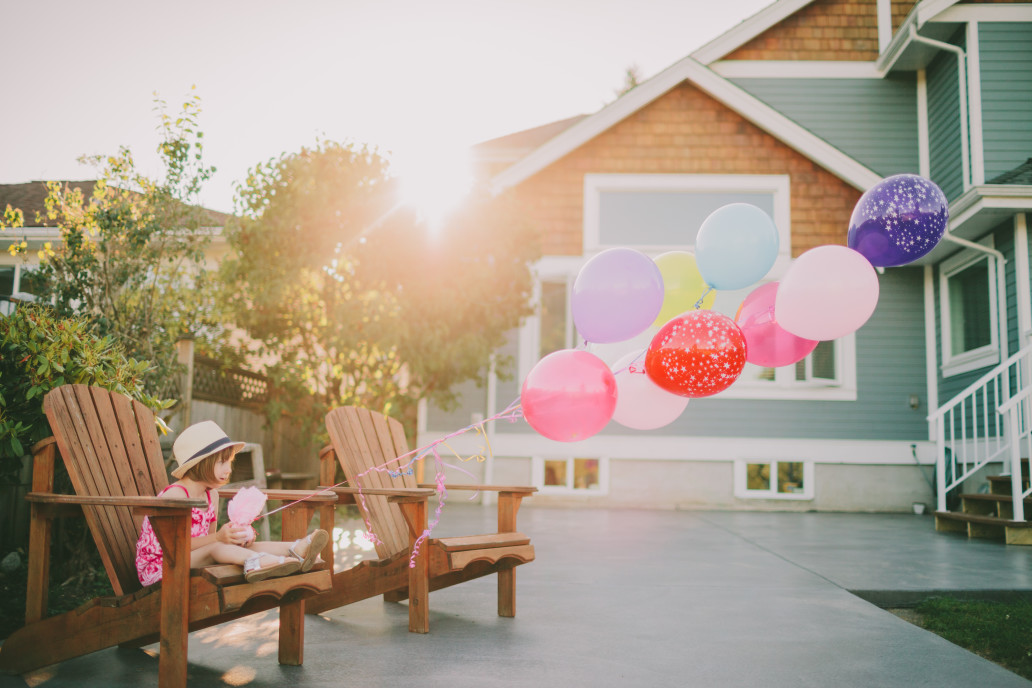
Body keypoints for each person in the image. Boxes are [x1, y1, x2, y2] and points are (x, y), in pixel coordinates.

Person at [136, 420, 330, 585]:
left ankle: (294, 549)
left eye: (230, 461)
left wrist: (235, 537)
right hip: (161, 567)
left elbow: (209, 543)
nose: (229, 469)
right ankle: (265, 563)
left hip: (188, 559)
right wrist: (219, 539)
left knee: (235, 547)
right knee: (218, 547)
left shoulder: (211, 495)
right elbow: (176, 547)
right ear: (199, 463)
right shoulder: (176, 496)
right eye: (222, 462)